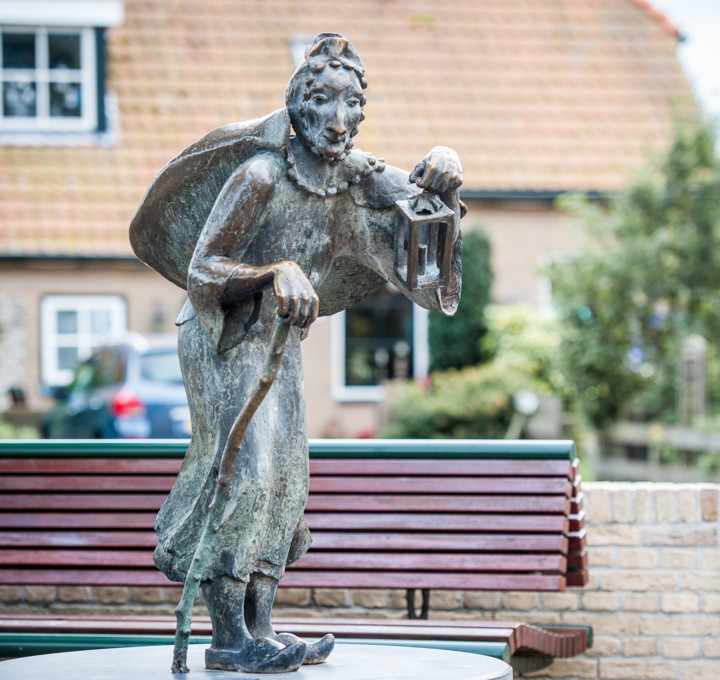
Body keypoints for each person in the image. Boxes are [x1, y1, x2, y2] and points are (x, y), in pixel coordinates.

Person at [131, 33, 463, 673]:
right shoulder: (260, 176)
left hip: (279, 342)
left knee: (285, 477)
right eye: (321, 104)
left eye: (350, 107)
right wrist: (269, 271)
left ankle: (262, 629)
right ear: (297, 107)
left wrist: (446, 166)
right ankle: (227, 640)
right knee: (245, 472)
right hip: (219, 334)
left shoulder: (356, 182)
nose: (337, 122)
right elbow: (202, 269)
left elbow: (424, 231)